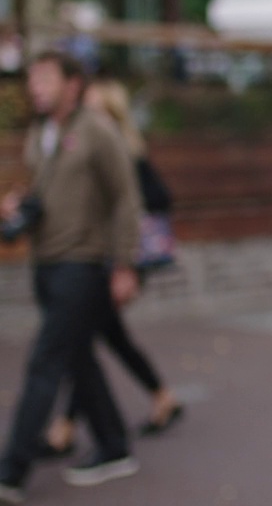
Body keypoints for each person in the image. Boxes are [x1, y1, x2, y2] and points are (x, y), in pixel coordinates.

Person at [0, 52, 144, 504]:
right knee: (77, 358)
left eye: (45, 78)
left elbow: (125, 197)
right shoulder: (44, 134)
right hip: (47, 261)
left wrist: (124, 264)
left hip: (81, 266)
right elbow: (46, 196)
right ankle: (115, 445)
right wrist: (17, 207)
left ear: (73, 85)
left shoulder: (97, 131)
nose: (35, 87)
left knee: (46, 362)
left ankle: (11, 471)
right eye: (32, 80)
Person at [40, 78, 184, 460]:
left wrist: (127, 259)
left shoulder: (125, 154)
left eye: (97, 108)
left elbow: (157, 198)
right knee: (102, 339)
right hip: (99, 264)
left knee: (82, 340)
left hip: (120, 264)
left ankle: (67, 429)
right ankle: (161, 396)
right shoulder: (91, 149)